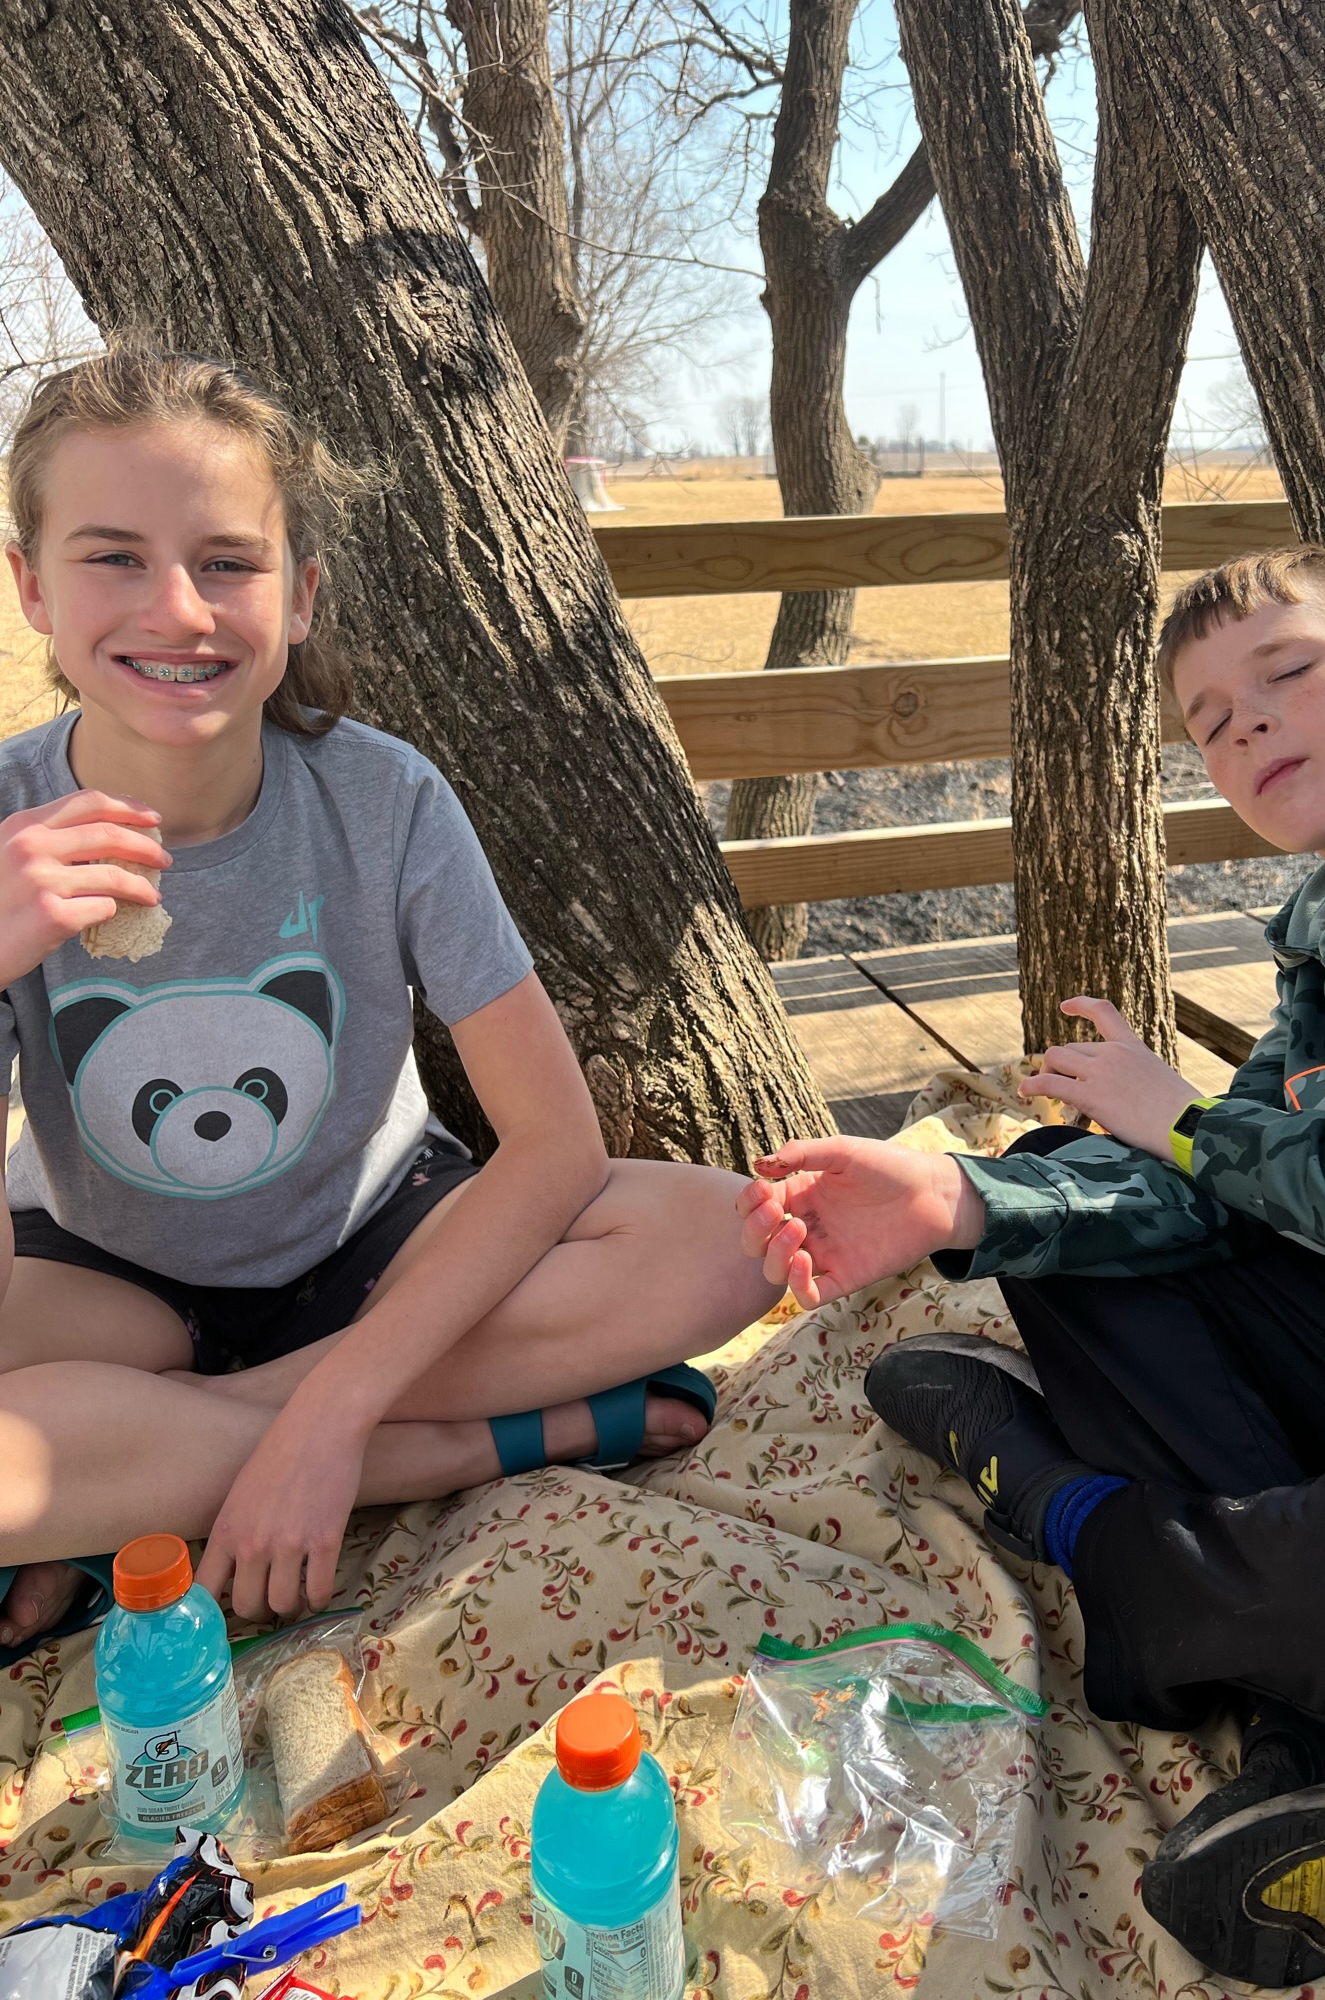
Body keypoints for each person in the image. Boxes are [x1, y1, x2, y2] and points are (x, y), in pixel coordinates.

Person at [737, 545, 1325, 1988]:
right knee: (1059, 1205)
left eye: (1287, 674)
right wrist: (953, 1198)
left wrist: (1193, 1126)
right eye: (1211, 722)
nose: (1248, 724)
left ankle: (1086, 1522)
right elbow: (1224, 1196)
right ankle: (1318, 1687)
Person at [0, 345, 780, 1654]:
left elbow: (557, 1144)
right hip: (111, 1286)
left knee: (730, 1237)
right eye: (114, 557)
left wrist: (331, 1410)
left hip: (380, 1248)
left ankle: (147, 1478)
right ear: (32, 585)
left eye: (228, 562)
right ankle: (473, 1442)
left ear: (300, 595)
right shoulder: (7, 827)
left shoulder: (385, 798)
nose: (178, 609)